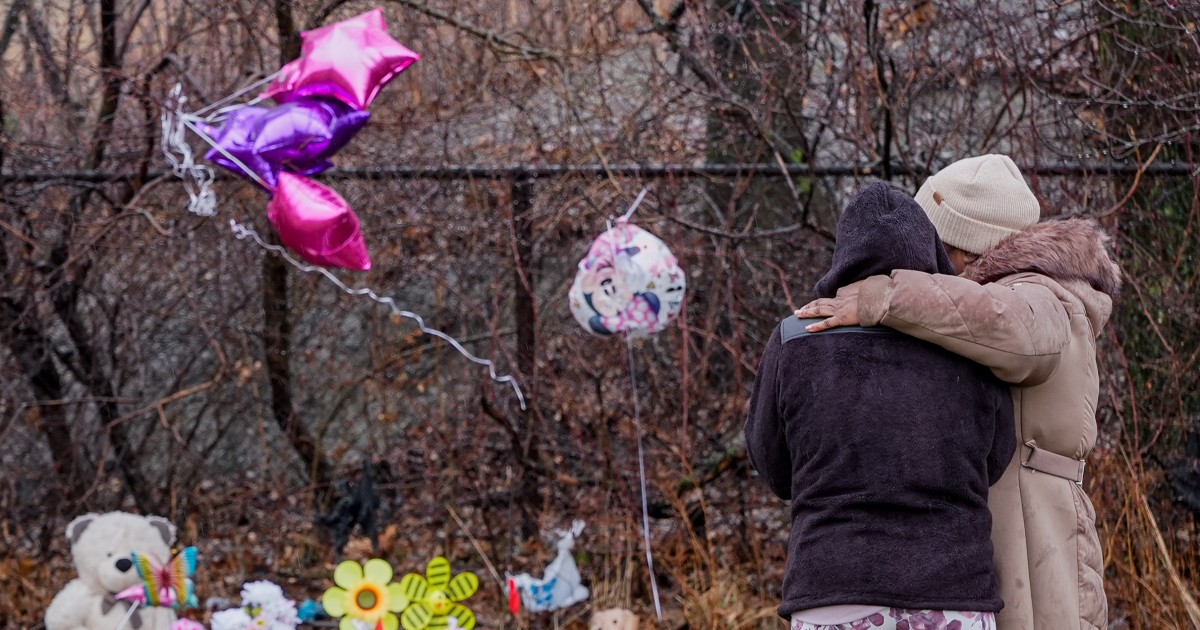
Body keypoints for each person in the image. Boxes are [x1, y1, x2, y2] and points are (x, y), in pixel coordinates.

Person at [796, 155, 1120, 629]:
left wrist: (888, 296)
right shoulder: (985, 304)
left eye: (936, 243)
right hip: (999, 531)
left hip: (1034, 533)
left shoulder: (1046, 295)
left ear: (965, 250)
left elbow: (1016, 328)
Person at [745, 181, 1015, 630]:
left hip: (833, 589)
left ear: (844, 255)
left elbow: (773, 466)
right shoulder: (969, 341)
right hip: (953, 591)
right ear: (929, 250)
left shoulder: (794, 338)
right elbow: (996, 458)